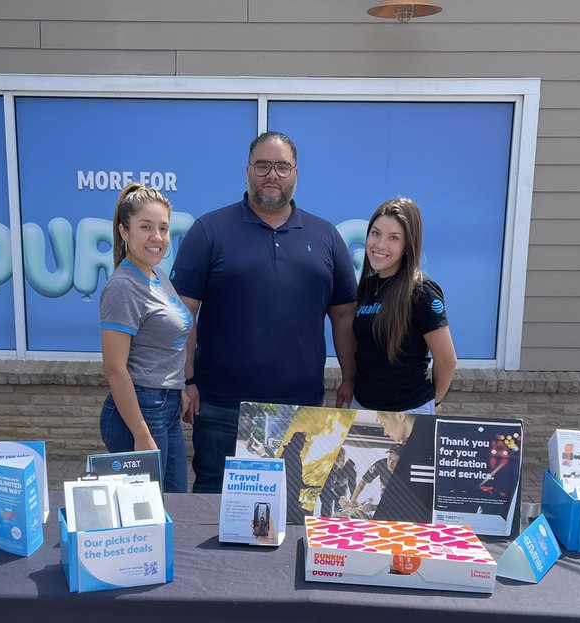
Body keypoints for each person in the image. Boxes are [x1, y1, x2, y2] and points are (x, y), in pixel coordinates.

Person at [171, 131, 359, 493]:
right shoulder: (209, 230)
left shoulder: (326, 237)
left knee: (294, 508)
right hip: (223, 410)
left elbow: (344, 318)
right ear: (247, 172)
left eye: (282, 166)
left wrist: (349, 379)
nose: (272, 174)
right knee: (214, 511)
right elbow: (183, 313)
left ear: (296, 174)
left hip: (301, 412)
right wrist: (188, 381)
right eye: (262, 165)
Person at [98, 183, 197, 493]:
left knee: (174, 502)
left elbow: (165, 343)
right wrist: (140, 432)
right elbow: (115, 368)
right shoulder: (123, 287)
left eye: (163, 228)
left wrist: (176, 385)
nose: (157, 237)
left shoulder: (158, 276)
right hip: (140, 410)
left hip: (165, 406)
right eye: (146, 227)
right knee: (146, 512)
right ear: (124, 231)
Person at [350, 197, 457, 414]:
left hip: (408, 412)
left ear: (408, 244)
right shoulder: (368, 287)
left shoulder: (422, 292)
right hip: (362, 408)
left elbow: (447, 360)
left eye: (393, 238)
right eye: (375, 233)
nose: (380, 245)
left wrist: (433, 403)